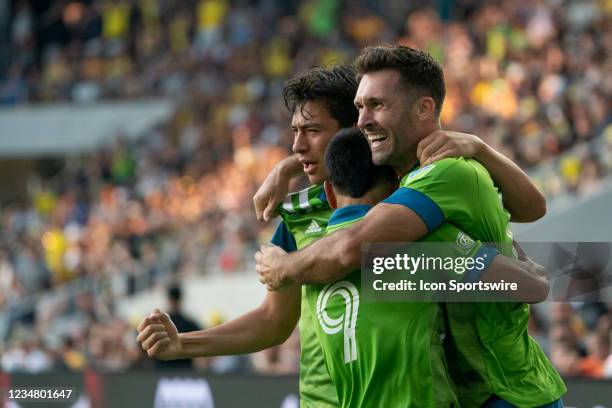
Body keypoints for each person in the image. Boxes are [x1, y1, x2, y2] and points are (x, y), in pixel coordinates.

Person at [138, 64, 549, 407]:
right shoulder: (297, 219)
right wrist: (184, 346)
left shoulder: (416, 203)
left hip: (483, 390)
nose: (298, 145)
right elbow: (272, 322)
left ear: (355, 131)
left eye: (312, 131)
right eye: (294, 132)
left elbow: (534, 266)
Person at [256, 45, 566, 407]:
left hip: (508, 394)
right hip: (469, 394)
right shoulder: (405, 176)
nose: (363, 120)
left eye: (377, 105)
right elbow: (532, 214)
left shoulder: (443, 174)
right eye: (359, 107)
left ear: (424, 108)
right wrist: (289, 166)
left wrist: (286, 268)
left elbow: (351, 247)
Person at [154, 285, 200, 370]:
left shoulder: (159, 322)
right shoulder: (190, 323)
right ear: (181, 299)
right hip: (185, 371)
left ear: (169, 299)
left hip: (162, 371)